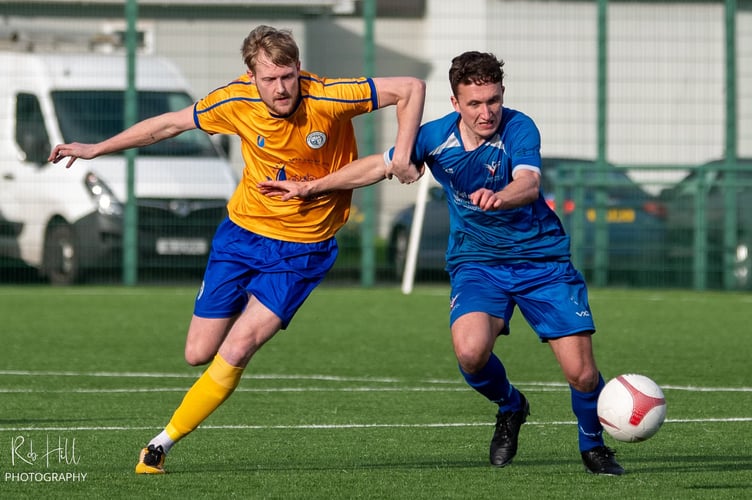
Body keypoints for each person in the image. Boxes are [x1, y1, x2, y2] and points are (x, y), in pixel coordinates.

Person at [49, 25, 425, 474]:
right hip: (242, 236)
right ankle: (251, 299)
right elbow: (166, 125)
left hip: (302, 250)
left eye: (288, 75)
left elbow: (411, 87)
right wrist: (96, 148)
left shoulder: (329, 96)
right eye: (270, 79)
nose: (282, 88)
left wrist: (402, 154)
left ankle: (160, 445)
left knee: (240, 345)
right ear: (250, 77)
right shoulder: (234, 101)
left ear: (299, 69)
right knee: (197, 352)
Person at [258, 51, 625, 475]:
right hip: (477, 261)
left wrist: (499, 197)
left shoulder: (519, 128)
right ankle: (511, 405)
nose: (486, 112)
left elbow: (529, 183)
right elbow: (379, 166)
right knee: (470, 353)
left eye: (493, 100)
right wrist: (312, 188)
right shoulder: (435, 136)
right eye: (475, 103)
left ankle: (592, 445)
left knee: (581, 373)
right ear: (455, 103)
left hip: (542, 260)